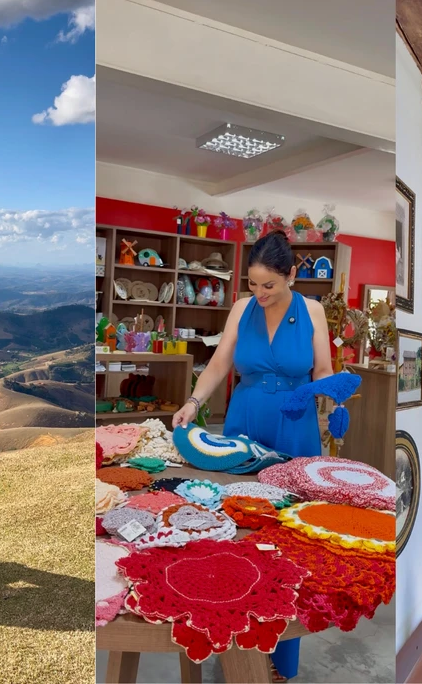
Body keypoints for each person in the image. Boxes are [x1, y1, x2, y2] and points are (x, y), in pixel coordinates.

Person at [171, 229, 334, 682]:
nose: (260, 294)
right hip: (244, 420)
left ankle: (280, 659)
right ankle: (236, 642)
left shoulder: (314, 312)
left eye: (270, 285)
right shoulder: (242, 309)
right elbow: (221, 362)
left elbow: (322, 371)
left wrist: (332, 403)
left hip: (295, 424)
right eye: (253, 284)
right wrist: (193, 403)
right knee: (236, 529)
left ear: (292, 275)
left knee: (288, 539)